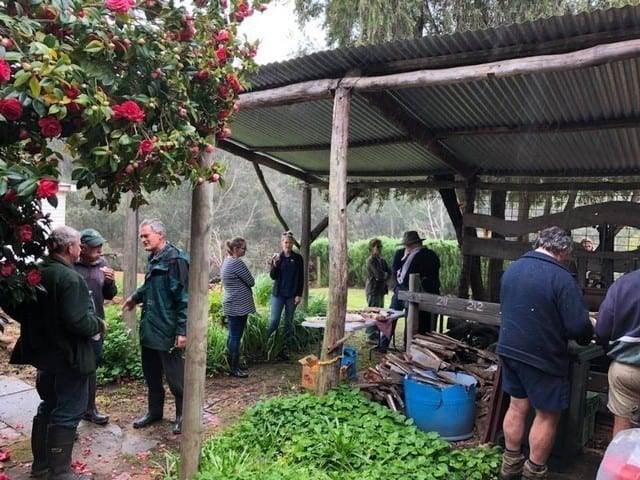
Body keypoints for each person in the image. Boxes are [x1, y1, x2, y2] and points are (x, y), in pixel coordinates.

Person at [496, 226, 594, 480]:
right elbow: (578, 327)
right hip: (542, 356)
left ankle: (510, 466)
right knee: (547, 415)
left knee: (516, 407)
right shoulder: (561, 278)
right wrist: (589, 328)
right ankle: (534, 472)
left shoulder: (512, 270)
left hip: (509, 348)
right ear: (562, 250)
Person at [9, 226, 105, 480]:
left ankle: (41, 467)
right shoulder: (68, 278)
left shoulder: (37, 273)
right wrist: (98, 324)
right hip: (68, 356)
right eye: (77, 245)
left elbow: (20, 307)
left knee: (47, 406)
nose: (80, 249)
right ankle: (60, 472)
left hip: (45, 355)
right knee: (69, 409)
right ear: (69, 248)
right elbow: (78, 321)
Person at [122, 219, 188, 435]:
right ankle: (155, 412)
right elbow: (150, 285)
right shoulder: (154, 259)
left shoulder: (175, 260)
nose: (143, 240)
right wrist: (134, 298)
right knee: (151, 375)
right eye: (141, 237)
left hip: (168, 330)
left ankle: (182, 416)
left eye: (146, 236)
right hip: (150, 328)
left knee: (175, 377)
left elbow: (185, 298)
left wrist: (182, 330)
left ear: (160, 234)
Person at [74, 228, 117, 426]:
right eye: (95, 247)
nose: (100, 250)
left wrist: (110, 282)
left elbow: (108, 294)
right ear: (82, 247)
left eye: (101, 246)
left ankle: (90, 409)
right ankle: (71, 415)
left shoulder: (103, 264)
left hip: (97, 325)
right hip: (75, 326)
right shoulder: (72, 266)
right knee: (74, 368)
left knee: (92, 368)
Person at [595, 269, 640, 438]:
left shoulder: (624, 283)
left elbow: (602, 330)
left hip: (626, 370)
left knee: (623, 430)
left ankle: (621, 463)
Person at [221, 237, 256, 378]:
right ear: (236, 249)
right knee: (236, 336)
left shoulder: (227, 261)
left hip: (232, 303)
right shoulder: (236, 263)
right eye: (243, 248)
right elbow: (251, 281)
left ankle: (233, 364)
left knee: (232, 335)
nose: (245, 251)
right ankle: (234, 368)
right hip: (238, 305)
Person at [266, 231, 304, 360]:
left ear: (293, 243)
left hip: (292, 295)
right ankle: (268, 346)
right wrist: (275, 264)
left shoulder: (298, 258)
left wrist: (299, 294)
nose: (287, 244)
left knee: (288, 323)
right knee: (274, 321)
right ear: (281, 243)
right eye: (285, 242)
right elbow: (273, 276)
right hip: (278, 294)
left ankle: (285, 349)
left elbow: (301, 278)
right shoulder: (277, 257)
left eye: (289, 242)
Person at [395, 230, 440, 335]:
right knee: (428, 332)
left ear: (410, 245)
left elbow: (403, 279)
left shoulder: (413, 256)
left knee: (413, 333)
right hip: (433, 297)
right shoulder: (432, 255)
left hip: (417, 301)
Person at [364, 238, 391, 343]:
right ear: (372, 248)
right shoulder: (371, 260)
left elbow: (389, 273)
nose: (380, 249)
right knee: (372, 312)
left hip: (381, 290)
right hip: (373, 290)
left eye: (381, 246)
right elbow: (379, 275)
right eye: (377, 247)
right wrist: (384, 275)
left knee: (379, 313)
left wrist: (384, 275)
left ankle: (375, 333)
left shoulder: (382, 260)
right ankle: (369, 335)